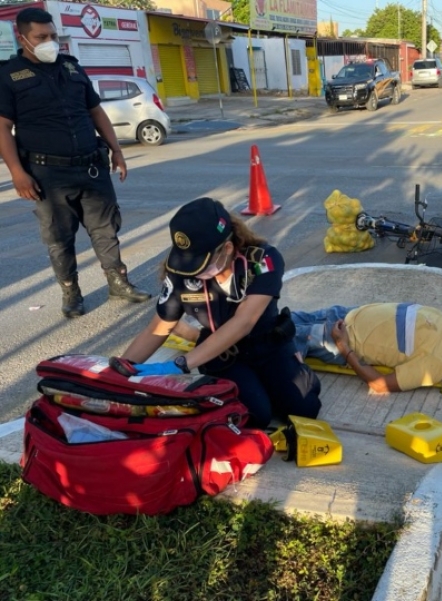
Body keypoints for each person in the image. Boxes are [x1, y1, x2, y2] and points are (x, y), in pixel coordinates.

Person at [0, 7, 150, 318]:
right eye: (41, 37)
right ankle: (71, 292)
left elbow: (96, 112)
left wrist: (116, 150)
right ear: (22, 38)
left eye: (53, 36)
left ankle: (118, 283)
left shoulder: (72, 68)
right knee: (59, 237)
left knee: (106, 229)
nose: (49, 42)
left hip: (91, 166)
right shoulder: (8, 75)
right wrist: (17, 173)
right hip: (46, 173)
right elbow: (2, 127)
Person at [120, 197, 321, 428]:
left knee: (304, 410)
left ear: (227, 248)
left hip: (267, 345)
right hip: (222, 354)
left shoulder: (262, 261)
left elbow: (244, 321)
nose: (192, 272)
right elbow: (158, 328)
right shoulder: (180, 271)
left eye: (199, 263)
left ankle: (294, 369)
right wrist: (116, 373)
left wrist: (182, 364)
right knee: (256, 417)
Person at [290, 304, 442, 393]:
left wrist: (343, 346)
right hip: (340, 314)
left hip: (336, 336)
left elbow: (380, 385)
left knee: (268, 333)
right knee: (272, 317)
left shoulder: (436, 362)